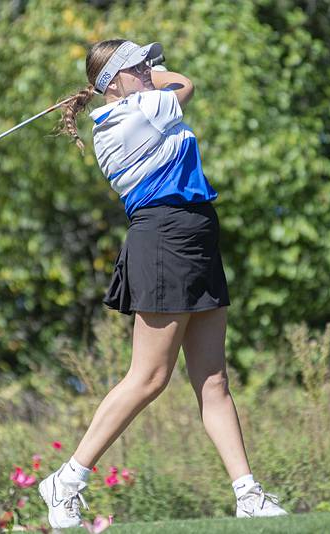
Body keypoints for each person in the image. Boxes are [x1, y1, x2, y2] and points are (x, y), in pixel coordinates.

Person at [38, 39, 287, 530]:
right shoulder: (128, 115)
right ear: (113, 82)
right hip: (165, 237)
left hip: (195, 233)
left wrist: (140, 72)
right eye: (138, 65)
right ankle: (66, 480)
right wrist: (151, 75)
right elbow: (186, 83)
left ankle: (249, 495)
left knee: (213, 379)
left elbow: (167, 84)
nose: (150, 69)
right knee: (149, 377)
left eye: (148, 62)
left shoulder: (138, 101)